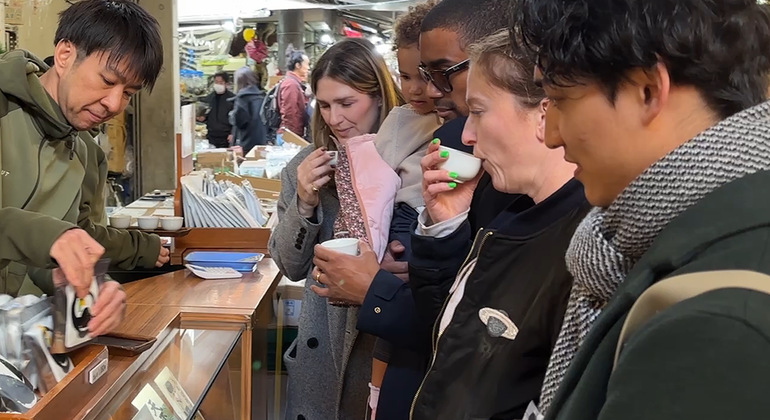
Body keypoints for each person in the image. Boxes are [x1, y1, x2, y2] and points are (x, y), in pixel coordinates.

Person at [515, 0, 770, 419]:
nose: (552, 137)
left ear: (648, 90)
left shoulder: (720, 322)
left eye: (559, 99)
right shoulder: (666, 243)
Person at [407, 29, 590, 420]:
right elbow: (454, 342)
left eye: (478, 110)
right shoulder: (515, 216)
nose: (468, 135)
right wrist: (448, 222)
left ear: (544, 113)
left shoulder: (586, 248)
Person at [0, 0, 165, 336]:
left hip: (22, 341)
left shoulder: (88, 155)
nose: (114, 104)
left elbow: (57, 255)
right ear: (65, 55)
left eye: (129, 93)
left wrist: (95, 287)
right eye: (107, 81)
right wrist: (49, 236)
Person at [268, 38, 403, 420]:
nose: (335, 118)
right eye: (325, 105)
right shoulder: (307, 165)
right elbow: (290, 266)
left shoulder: (406, 162)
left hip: (382, 340)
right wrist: (305, 201)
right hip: (321, 353)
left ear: (379, 96)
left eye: (347, 103)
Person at [418, 0, 523, 232]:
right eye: (426, 74)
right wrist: (445, 226)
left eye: (443, 73)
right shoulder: (453, 140)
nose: (431, 91)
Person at [230, 67, 267, 155]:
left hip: (246, 143)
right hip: (262, 141)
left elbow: (240, 121)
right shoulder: (261, 96)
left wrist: (231, 115)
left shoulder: (242, 98)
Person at [278, 49, 310, 137]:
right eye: (307, 64)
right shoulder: (291, 84)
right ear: (298, 65)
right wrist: (293, 137)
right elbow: (290, 113)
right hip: (289, 136)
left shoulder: (294, 83)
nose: (308, 68)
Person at [202, 71, 235, 148]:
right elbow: (205, 115)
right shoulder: (209, 98)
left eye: (221, 82)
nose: (218, 84)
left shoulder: (232, 99)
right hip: (211, 136)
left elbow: (237, 119)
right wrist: (202, 118)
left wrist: (233, 133)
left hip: (227, 137)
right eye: (216, 82)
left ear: (226, 84)